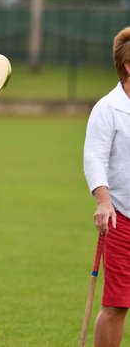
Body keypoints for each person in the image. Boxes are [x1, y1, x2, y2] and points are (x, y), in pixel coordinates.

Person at [83, 26, 130, 347]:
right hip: (122, 218)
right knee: (116, 304)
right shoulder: (108, 108)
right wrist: (103, 201)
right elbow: (94, 158)